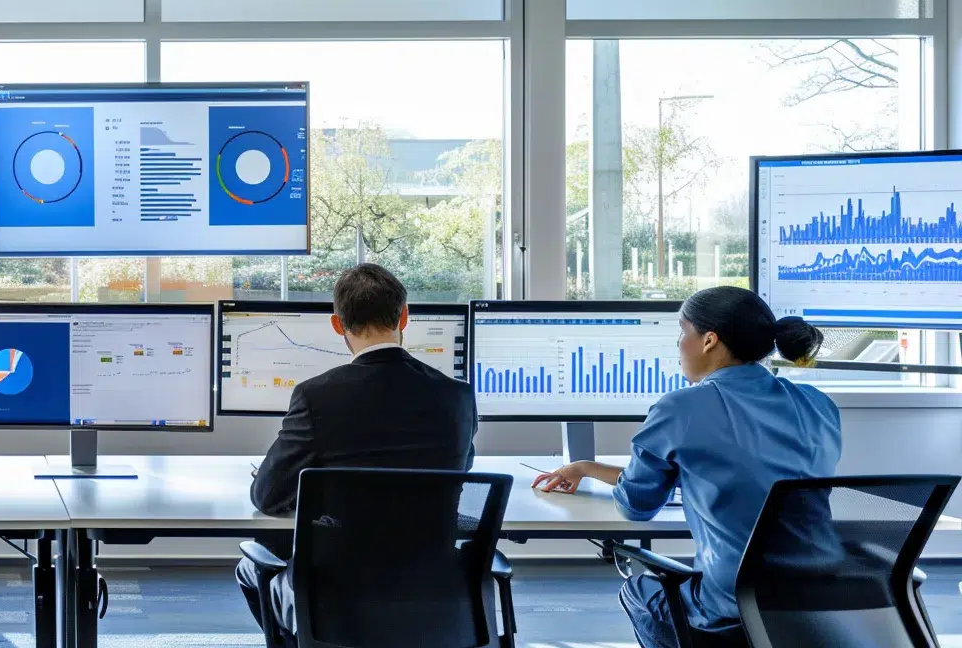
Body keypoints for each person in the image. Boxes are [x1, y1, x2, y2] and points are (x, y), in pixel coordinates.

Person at [533, 286, 839, 648]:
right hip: (821, 597)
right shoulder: (817, 403)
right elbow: (749, 475)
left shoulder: (681, 408)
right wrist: (584, 467)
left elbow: (637, 506)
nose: (679, 345)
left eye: (683, 332)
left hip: (732, 602)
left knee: (638, 590)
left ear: (709, 340)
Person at [238, 264, 480, 646]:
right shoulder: (458, 396)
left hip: (336, 602)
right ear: (404, 316)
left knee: (252, 566)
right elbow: (457, 472)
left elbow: (266, 498)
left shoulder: (315, 396)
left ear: (337, 325)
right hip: (435, 596)